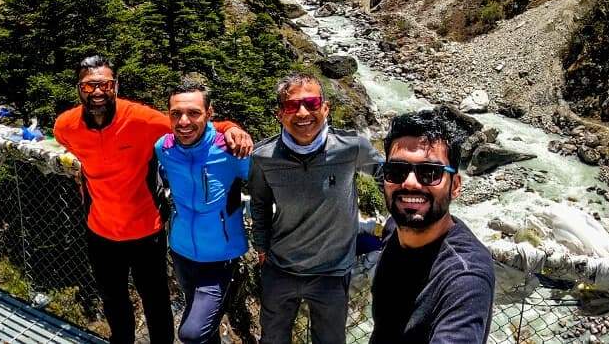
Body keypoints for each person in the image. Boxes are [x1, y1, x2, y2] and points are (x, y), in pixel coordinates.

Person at [53, 55, 253, 344]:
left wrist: (231, 127)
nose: (97, 92)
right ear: (78, 89)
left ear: (116, 87)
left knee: (155, 301)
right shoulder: (66, 126)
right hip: (99, 228)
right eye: (89, 86)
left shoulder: (141, 119)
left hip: (146, 229)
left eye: (105, 85)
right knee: (113, 299)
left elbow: (190, 124)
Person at [249, 71, 384, 344]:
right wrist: (262, 247)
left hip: (332, 271)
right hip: (281, 267)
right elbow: (260, 203)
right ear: (280, 113)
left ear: (325, 108)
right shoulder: (264, 157)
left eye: (311, 104)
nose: (302, 113)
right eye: (292, 105)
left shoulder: (350, 146)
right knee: (273, 339)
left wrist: (403, 221)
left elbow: (386, 175)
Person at [370, 109, 495, 344]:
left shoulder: (465, 277)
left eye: (430, 172)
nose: (410, 182)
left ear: (455, 186)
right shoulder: (393, 230)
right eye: (397, 171)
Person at [154, 80, 249, 344]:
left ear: (209, 113)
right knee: (205, 332)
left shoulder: (230, 150)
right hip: (182, 251)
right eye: (176, 114)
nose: (184, 121)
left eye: (194, 113)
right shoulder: (164, 148)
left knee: (191, 333)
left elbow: (265, 186)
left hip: (220, 258)